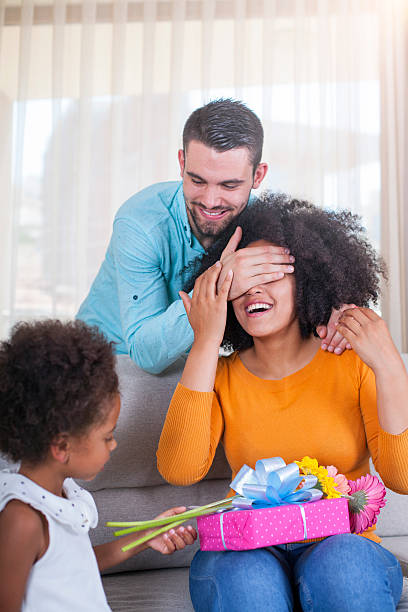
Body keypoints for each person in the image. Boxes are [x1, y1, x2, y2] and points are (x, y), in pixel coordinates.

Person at [157, 194, 408, 611]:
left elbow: (403, 479)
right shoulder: (218, 377)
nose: (253, 289)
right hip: (247, 548)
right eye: (239, 279)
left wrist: (391, 369)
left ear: (307, 280)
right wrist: (205, 340)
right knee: (245, 580)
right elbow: (179, 470)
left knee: (344, 568)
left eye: (270, 274)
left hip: (343, 545)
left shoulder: (353, 364)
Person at [77, 99, 348, 374]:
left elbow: (318, 276)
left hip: (190, 359)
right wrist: (221, 283)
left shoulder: (265, 223)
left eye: (229, 185)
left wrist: (338, 309)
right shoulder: (140, 224)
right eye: (197, 181)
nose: (210, 201)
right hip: (108, 361)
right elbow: (146, 354)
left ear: (258, 175)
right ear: (182, 163)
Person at [0, 320, 196, 611]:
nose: (114, 444)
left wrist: (146, 535)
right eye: (107, 436)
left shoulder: (61, 492)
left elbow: (76, 566)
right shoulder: (23, 520)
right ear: (62, 447)